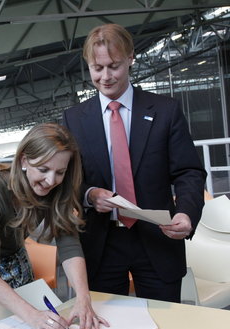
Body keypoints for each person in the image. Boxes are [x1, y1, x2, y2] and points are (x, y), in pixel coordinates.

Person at [62, 23, 207, 303]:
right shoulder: (74, 119)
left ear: (130, 59)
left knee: (165, 327)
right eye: (97, 68)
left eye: (114, 66)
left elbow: (189, 172)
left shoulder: (165, 111)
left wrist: (186, 214)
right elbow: (69, 181)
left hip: (158, 237)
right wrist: (90, 195)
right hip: (101, 244)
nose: (105, 76)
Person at [0, 123, 109, 329]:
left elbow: (70, 248)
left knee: (27, 322)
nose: (51, 181)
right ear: (24, 161)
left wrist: (83, 298)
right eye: (43, 169)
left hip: (14, 249)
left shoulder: (59, 187)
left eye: (60, 172)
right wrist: (33, 316)